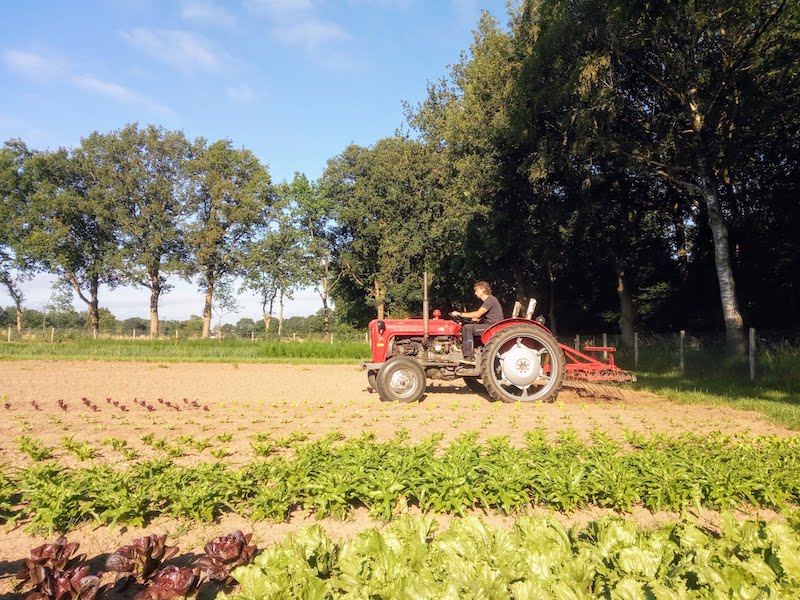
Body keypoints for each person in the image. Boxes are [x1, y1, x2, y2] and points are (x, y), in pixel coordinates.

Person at [450, 281, 503, 364]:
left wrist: (459, 313)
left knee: (467, 328)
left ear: (483, 290)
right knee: (470, 326)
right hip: (490, 325)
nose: (475, 293)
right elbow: (481, 317)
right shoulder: (489, 301)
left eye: (477, 290)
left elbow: (478, 314)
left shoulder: (490, 299)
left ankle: (468, 357)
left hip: (493, 327)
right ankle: (473, 351)